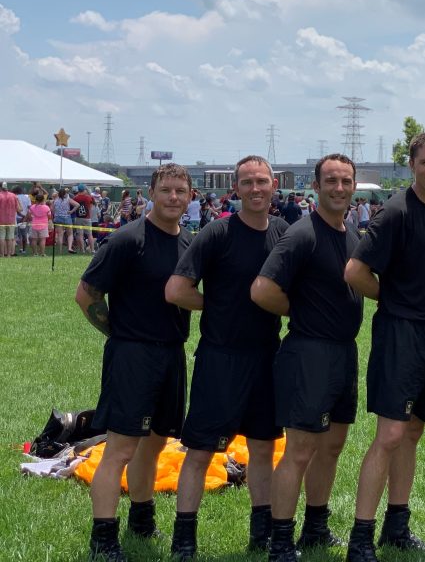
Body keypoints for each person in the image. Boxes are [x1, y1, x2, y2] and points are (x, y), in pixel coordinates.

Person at [164, 157, 289, 559]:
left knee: (264, 449)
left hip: (267, 357)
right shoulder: (218, 233)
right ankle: (184, 539)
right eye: (247, 182)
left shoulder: (284, 233)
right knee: (200, 451)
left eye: (262, 182)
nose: (256, 189)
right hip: (220, 358)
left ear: (274, 186)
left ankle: (262, 533)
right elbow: (176, 289)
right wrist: (216, 306)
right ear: (236, 188)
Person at [344, 133, 425, 562]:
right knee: (390, 434)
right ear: (412, 165)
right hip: (402, 334)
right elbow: (355, 270)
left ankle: (398, 526)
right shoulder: (395, 212)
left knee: (413, 432)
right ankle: (361, 537)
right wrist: (392, 299)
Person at [74, 164, 193, 562]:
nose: (173, 197)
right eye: (166, 190)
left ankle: (141, 518)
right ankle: (103, 538)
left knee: (157, 443)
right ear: (151, 193)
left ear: (190, 196)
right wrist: (119, 336)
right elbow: (86, 295)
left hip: (172, 354)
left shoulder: (188, 244)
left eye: (180, 190)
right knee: (120, 448)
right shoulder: (127, 240)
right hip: (133, 354)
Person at [250, 154, 365, 561]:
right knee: (299, 450)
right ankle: (281, 540)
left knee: (332, 446)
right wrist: (300, 311)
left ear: (353, 185)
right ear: (316, 186)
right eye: (330, 180)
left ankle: (316, 526)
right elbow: (262, 289)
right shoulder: (303, 234)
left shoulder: (351, 233)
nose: (338, 187)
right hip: (308, 353)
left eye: (345, 180)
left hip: (343, 353)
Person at [27, 190, 52, 256]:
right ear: (43, 200)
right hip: (44, 225)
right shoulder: (46, 207)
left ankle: (34, 253)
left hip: (34, 224)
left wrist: (32, 219)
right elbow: (49, 216)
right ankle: (42, 253)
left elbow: (29, 215)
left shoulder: (32, 207)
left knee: (34, 240)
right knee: (42, 240)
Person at [0, 182, 20, 258]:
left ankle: (2, 254)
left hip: (1, 220)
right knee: (10, 238)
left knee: (1, 238)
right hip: (11, 220)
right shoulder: (13, 195)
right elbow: (18, 209)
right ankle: (8, 255)